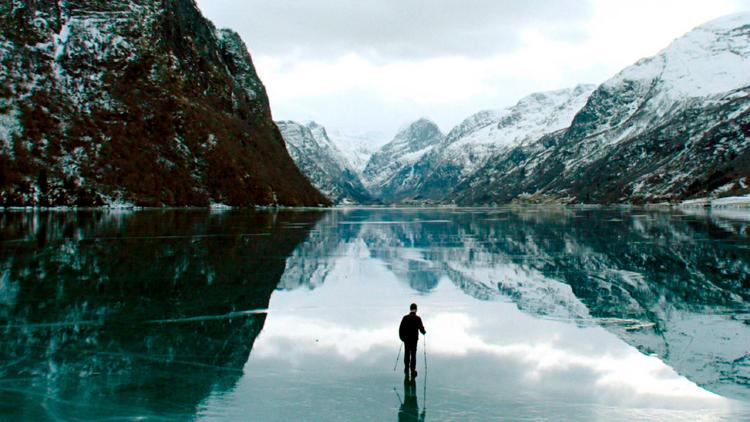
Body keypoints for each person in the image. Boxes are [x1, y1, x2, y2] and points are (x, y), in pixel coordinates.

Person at [399, 303, 426, 379]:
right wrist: (424, 332)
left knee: (407, 353)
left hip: (406, 339)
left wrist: (402, 338)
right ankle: (413, 370)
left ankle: (406, 368)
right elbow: (421, 329)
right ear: (416, 309)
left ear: (410, 309)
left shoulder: (405, 318)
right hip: (414, 340)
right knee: (413, 354)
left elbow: (401, 329)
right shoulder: (418, 318)